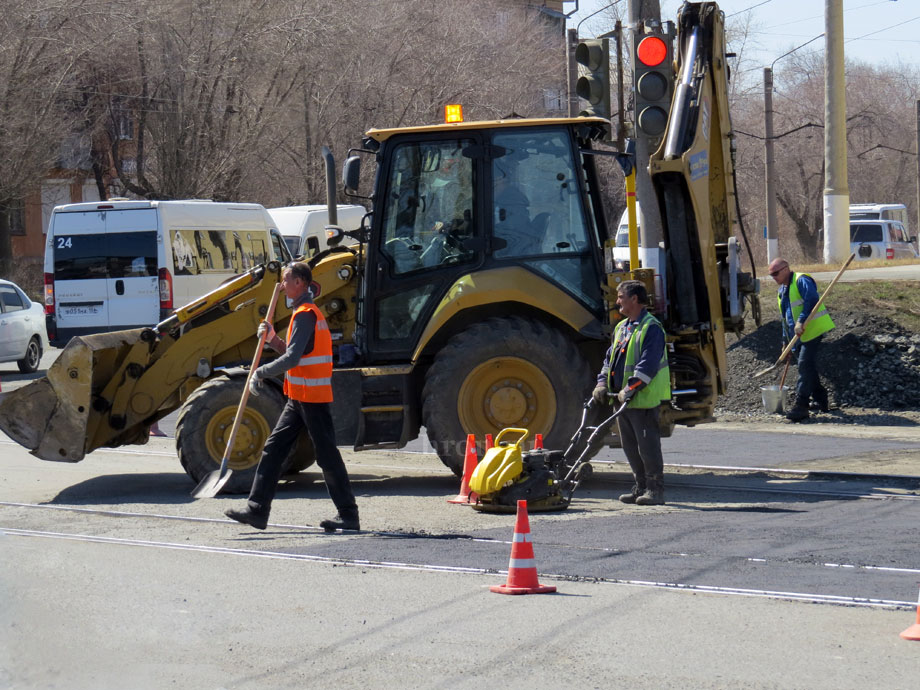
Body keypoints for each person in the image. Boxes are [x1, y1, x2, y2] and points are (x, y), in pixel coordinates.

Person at [225, 262, 359, 531]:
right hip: (299, 397)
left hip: (311, 397)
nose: (282, 285)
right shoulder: (302, 313)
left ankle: (348, 515)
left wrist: (260, 372)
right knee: (274, 449)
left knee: (327, 456)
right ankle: (257, 510)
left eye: (286, 280)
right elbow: (294, 353)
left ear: (300, 282)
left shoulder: (306, 314)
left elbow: (293, 357)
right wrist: (273, 339)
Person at [592, 280, 671, 505]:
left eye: (620, 297)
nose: (617, 301)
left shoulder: (651, 328)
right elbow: (610, 360)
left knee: (648, 447)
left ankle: (655, 490)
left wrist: (629, 389)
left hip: (642, 401)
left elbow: (647, 366)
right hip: (622, 401)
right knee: (629, 446)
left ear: (634, 299)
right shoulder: (623, 327)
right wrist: (601, 384)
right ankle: (641, 486)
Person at [767, 258, 835, 422]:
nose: (774, 277)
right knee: (808, 367)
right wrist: (785, 341)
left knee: (804, 365)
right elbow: (785, 318)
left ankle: (801, 406)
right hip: (797, 336)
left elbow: (812, 300)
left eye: (776, 273)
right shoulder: (782, 291)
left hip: (812, 330)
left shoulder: (801, 280)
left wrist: (801, 320)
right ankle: (820, 399)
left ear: (785, 269)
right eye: (771, 275)